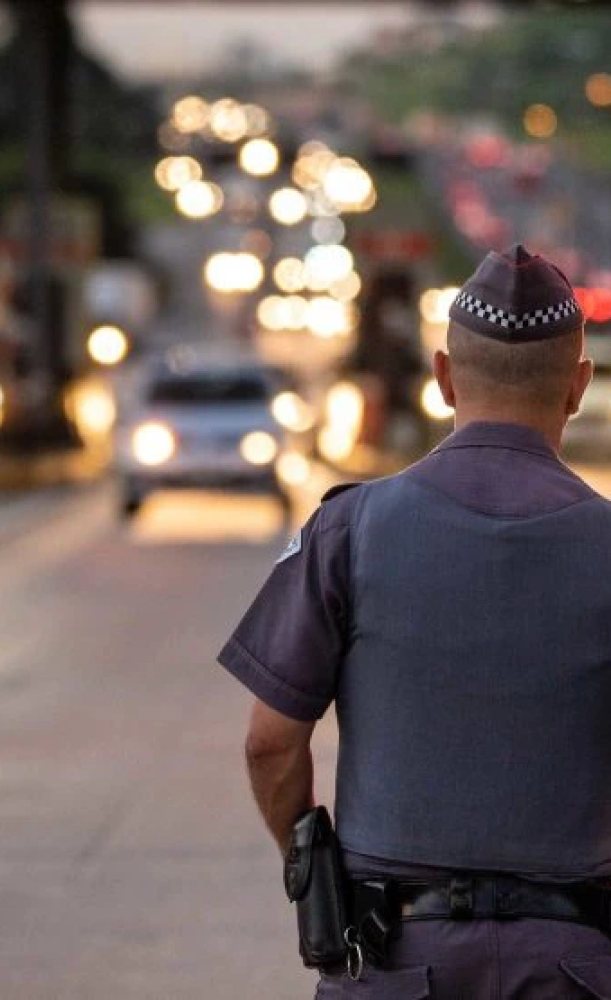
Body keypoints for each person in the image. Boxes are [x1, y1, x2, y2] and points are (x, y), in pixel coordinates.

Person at [217, 245, 611, 998]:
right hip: (577, 964)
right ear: (578, 388)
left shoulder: (350, 532)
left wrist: (310, 868)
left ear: (443, 377)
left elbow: (270, 744)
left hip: (395, 959)